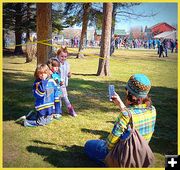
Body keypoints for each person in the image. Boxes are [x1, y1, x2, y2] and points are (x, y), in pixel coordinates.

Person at [84, 74, 157, 166]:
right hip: (141, 153)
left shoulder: (125, 115)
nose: (126, 92)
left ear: (132, 96)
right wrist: (120, 105)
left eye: (127, 90)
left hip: (124, 156)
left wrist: (104, 144)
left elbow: (110, 145)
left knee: (89, 145)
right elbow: (133, 116)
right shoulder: (152, 110)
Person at [56, 46, 77, 117]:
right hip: (57, 84)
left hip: (64, 84)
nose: (63, 58)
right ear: (58, 55)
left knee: (63, 97)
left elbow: (67, 72)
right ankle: (66, 110)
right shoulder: (55, 63)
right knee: (62, 97)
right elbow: (54, 74)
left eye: (65, 57)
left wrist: (69, 74)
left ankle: (60, 111)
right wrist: (58, 80)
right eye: (62, 56)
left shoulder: (67, 64)